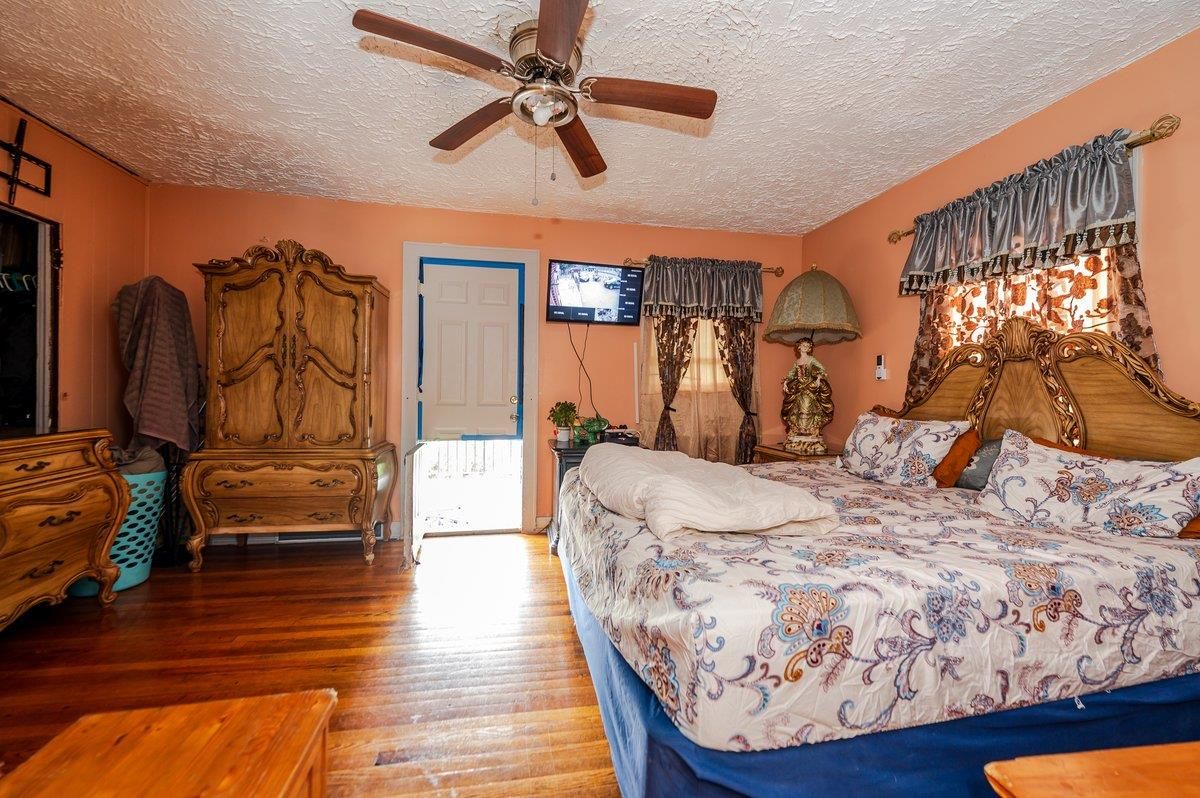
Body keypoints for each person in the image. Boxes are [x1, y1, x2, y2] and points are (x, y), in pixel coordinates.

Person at [781, 339, 834, 454]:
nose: (805, 347)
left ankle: (810, 432)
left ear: (809, 348)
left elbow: (822, 369)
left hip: (809, 387)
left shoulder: (811, 360)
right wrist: (786, 381)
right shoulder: (797, 362)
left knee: (807, 408)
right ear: (799, 347)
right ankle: (798, 432)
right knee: (796, 409)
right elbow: (792, 374)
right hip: (799, 388)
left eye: (807, 346)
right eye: (803, 345)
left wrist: (818, 378)